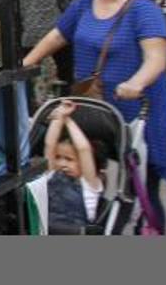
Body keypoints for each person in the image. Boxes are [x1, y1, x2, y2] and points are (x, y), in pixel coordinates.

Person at [23, 0, 166, 234]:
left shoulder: (144, 10)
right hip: (95, 110)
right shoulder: (85, 3)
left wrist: (135, 83)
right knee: (83, 178)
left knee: (142, 192)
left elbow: (156, 59)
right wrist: (25, 63)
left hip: (141, 114)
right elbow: (58, 36)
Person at [43, 100, 104, 233]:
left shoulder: (89, 184)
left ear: (83, 163)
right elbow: (49, 144)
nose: (62, 163)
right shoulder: (51, 175)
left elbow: (84, 149)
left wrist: (68, 120)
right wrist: (59, 117)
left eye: (69, 159)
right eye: (58, 158)